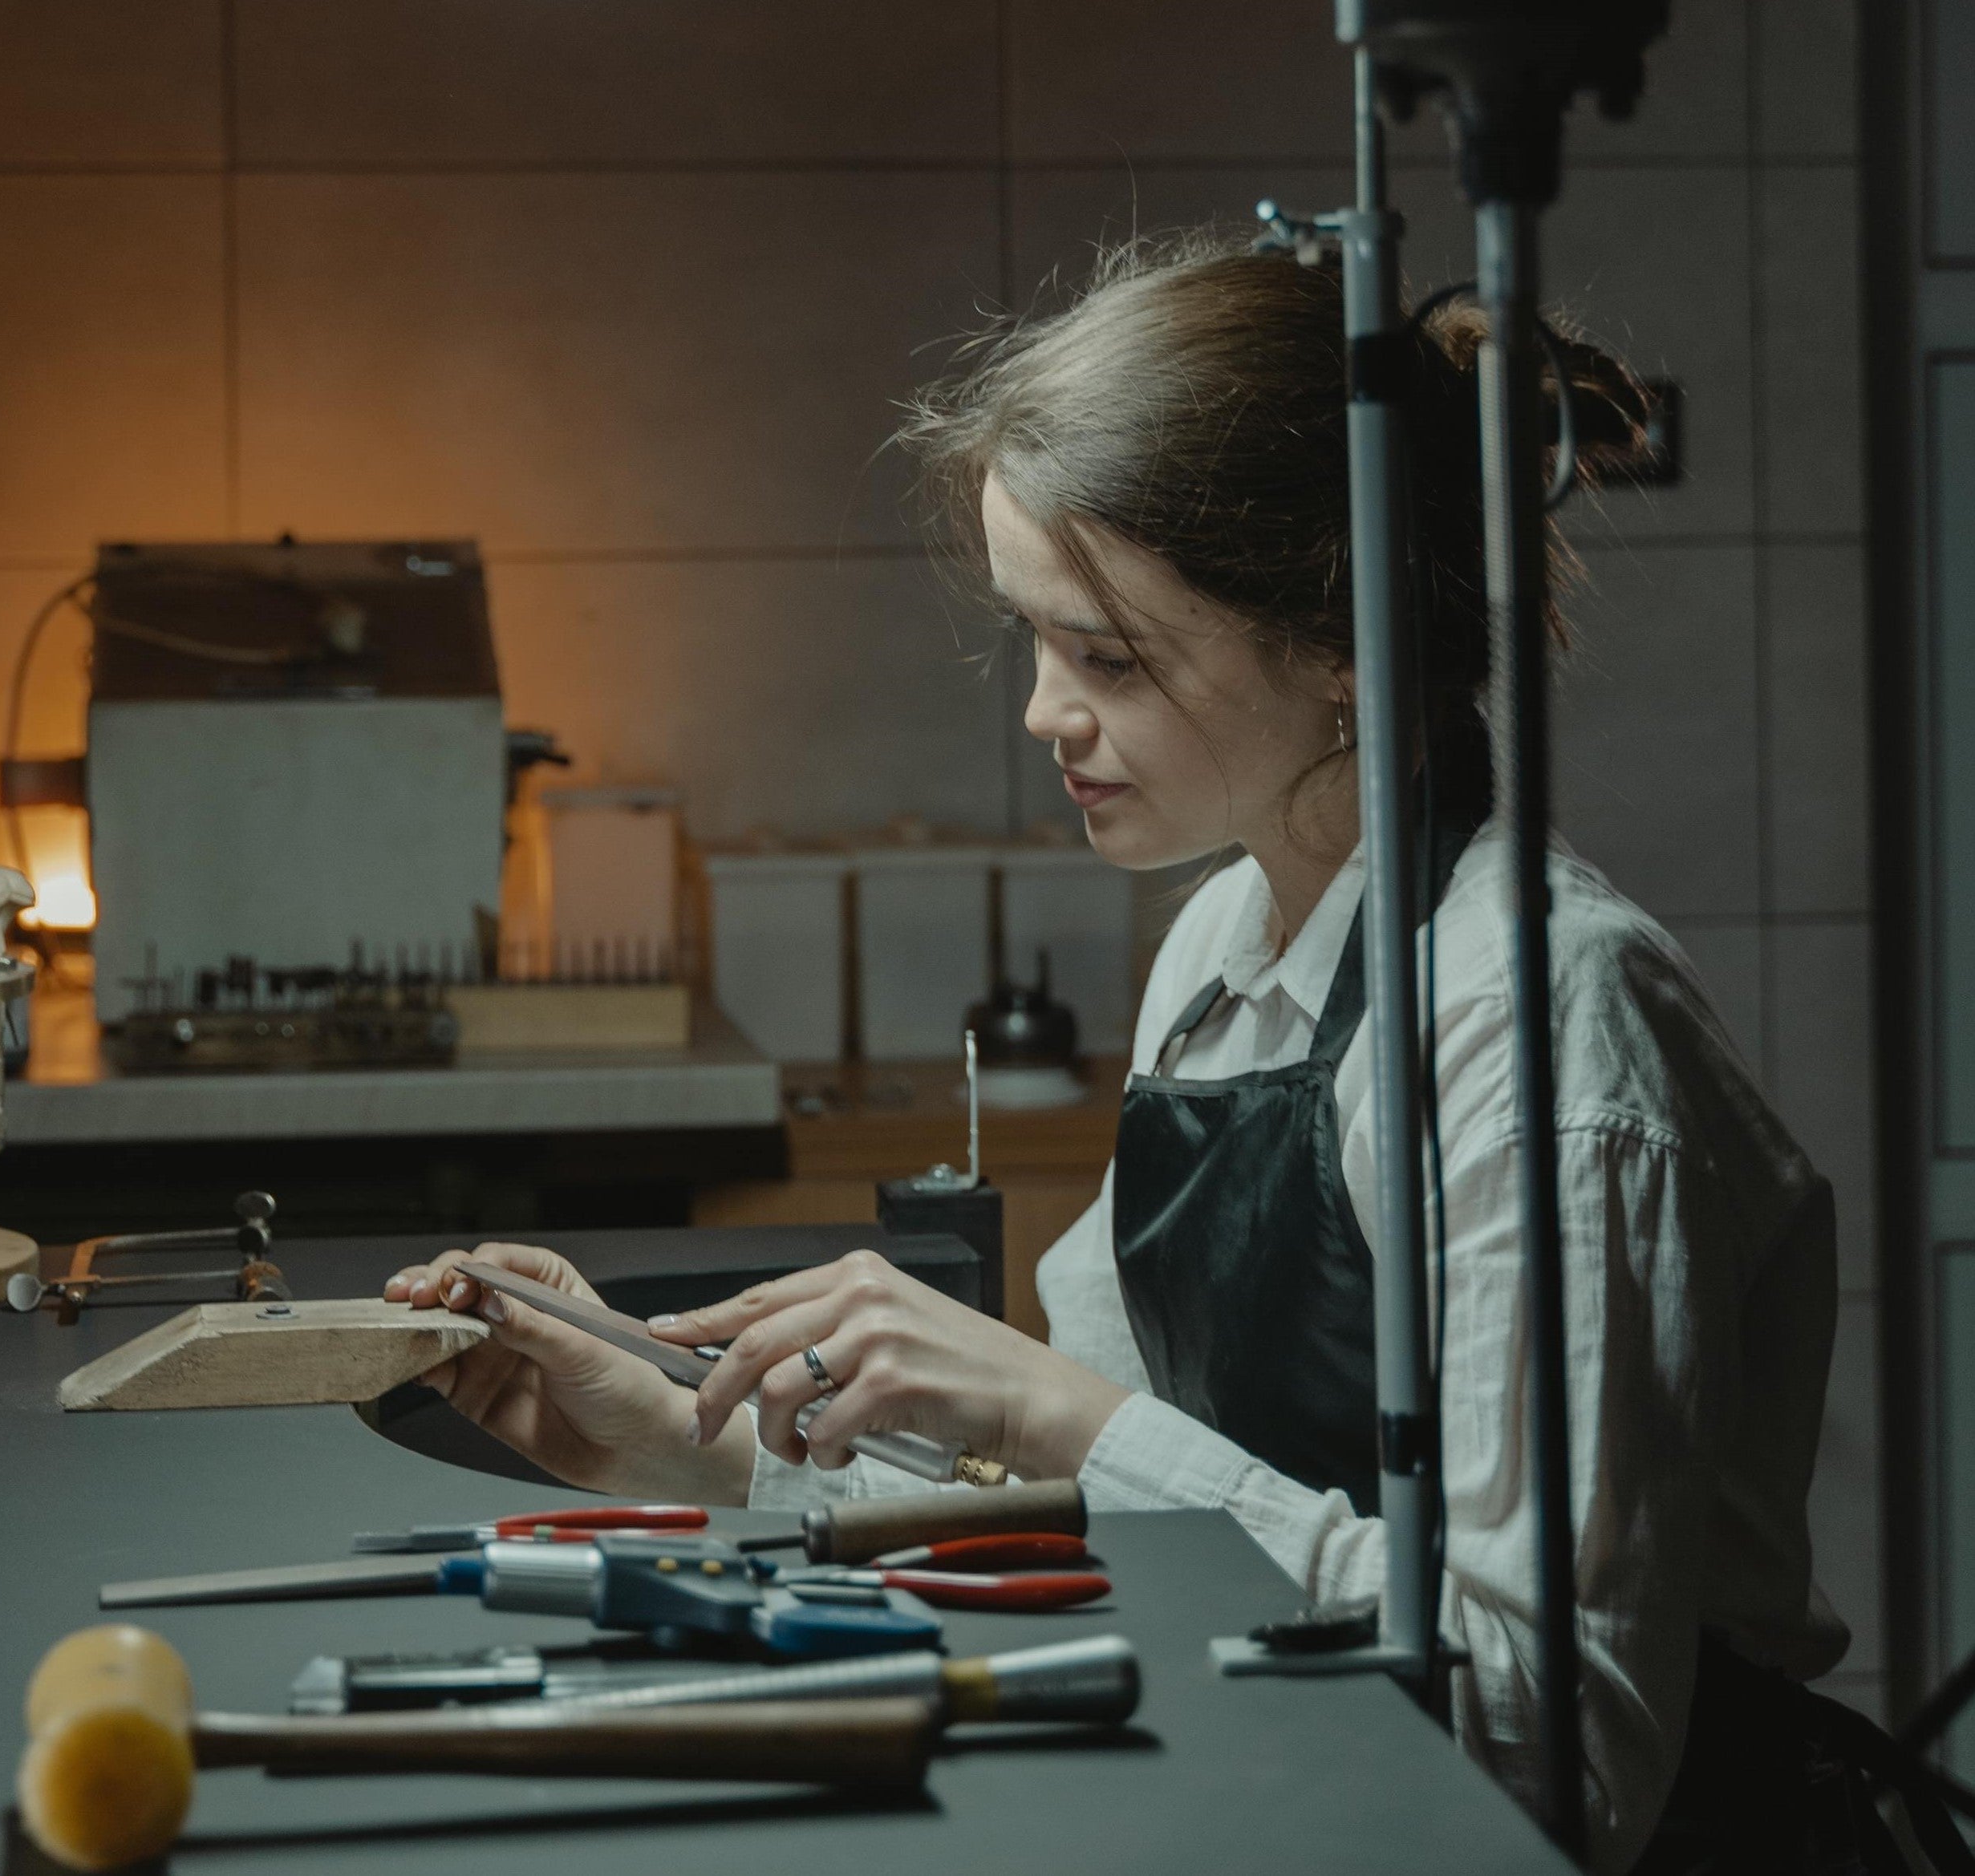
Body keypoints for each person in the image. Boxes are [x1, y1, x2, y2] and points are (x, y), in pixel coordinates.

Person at [383, 233, 1874, 1874]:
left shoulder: (1534, 1031)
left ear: (1340, 653)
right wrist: (662, 1428)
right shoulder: (1219, 951)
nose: (1042, 713)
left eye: (1107, 657)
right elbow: (1074, 1510)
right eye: (1033, 642)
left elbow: (1550, 1753)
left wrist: (1058, 1414)